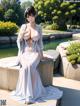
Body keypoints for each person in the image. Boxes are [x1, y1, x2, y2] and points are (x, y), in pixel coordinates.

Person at [10, 5, 63, 104]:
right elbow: (18, 41)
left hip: (35, 52)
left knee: (30, 66)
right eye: (28, 16)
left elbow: (40, 43)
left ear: (35, 15)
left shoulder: (39, 27)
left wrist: (42, 56)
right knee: (25, 68)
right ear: (26, 17)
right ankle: (27, 94)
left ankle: (30, 96)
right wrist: (21, 36)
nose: (30, 17)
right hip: (25, 52)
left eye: (32, 15)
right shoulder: (23, 26)